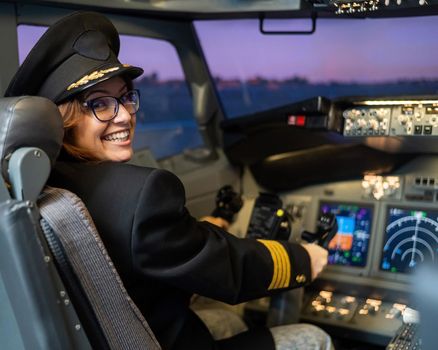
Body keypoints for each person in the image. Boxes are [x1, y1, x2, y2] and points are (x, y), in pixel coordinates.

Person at [5, 11, 332, 350]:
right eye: (99, 104)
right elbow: (230, 268)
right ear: (63, 119)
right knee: (313, 338)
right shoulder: (139, 194)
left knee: (227, 321)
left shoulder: (37, 186)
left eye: (125, 96)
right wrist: (303, 259)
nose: (125, 115)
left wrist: (207, 226)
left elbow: (157, 250)